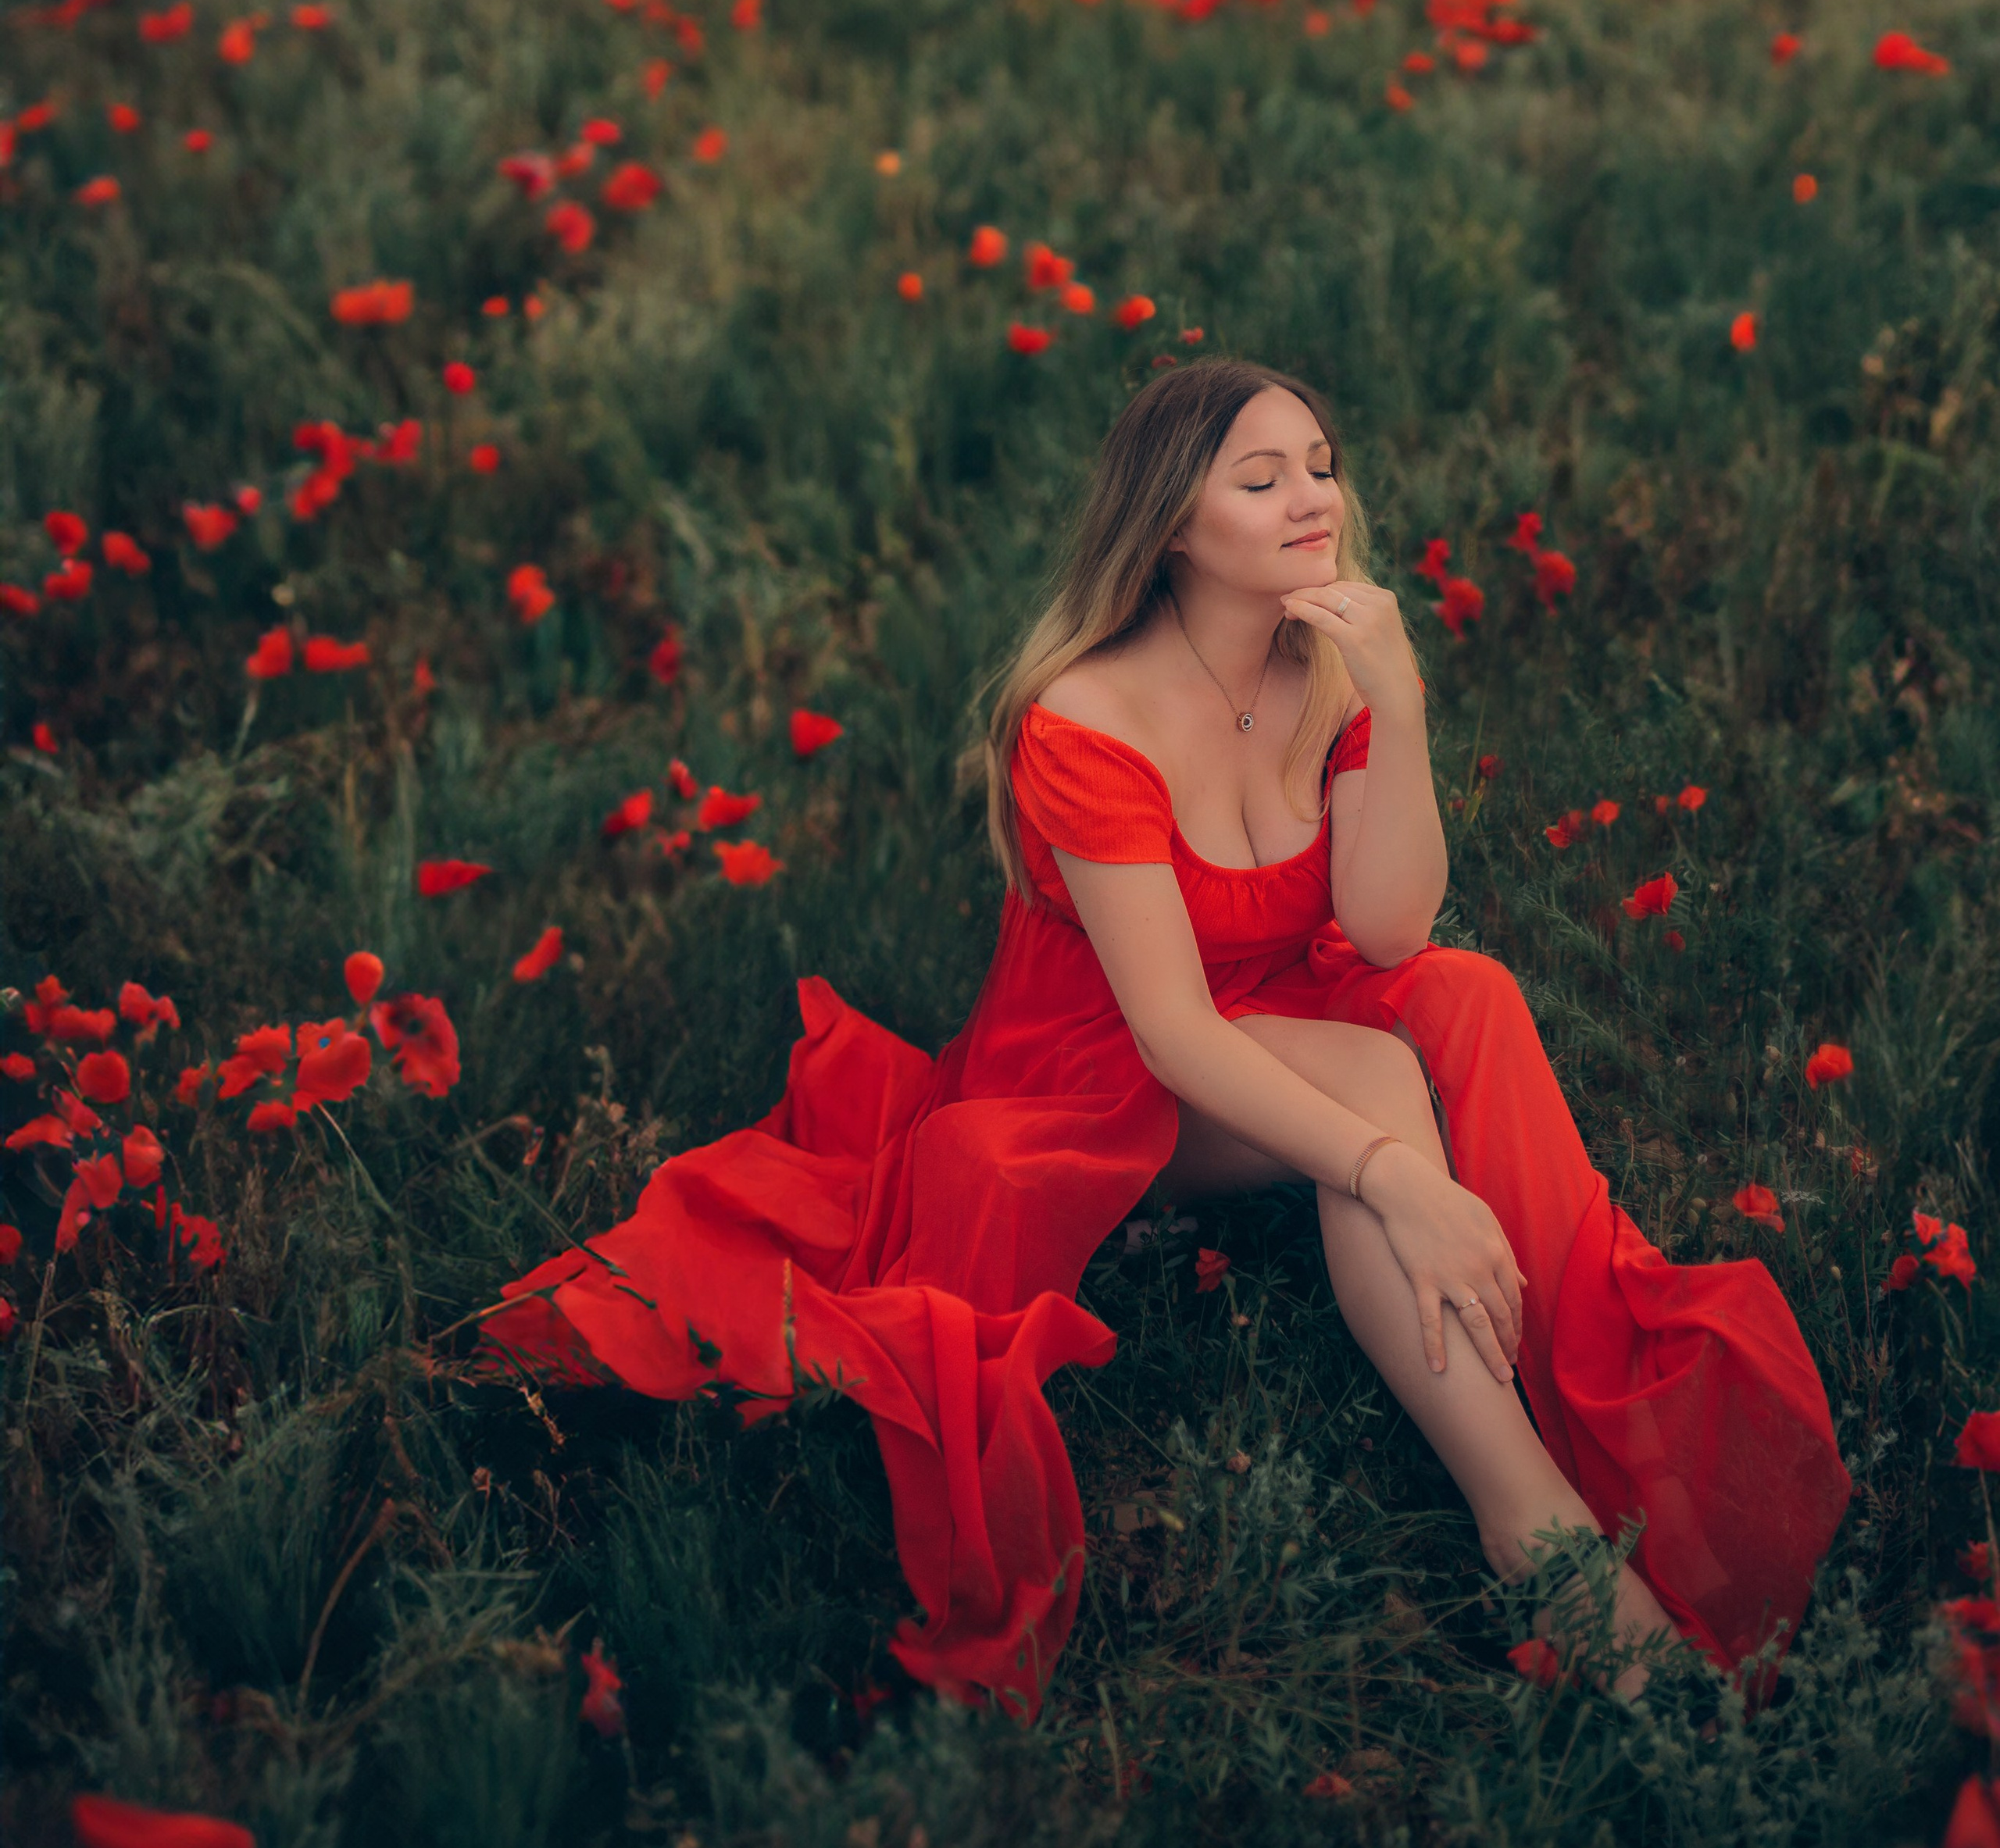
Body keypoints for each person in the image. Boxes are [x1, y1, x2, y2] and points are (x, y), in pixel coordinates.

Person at [483, 360, 1850, 1716]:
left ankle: (1566, 1342)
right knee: (1380, 1083)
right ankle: (1532, 1527)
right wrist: (1396, 1176)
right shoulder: (1086, 718)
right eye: (1260, 481)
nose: (1311, 499)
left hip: (1281, 997)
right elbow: (1177, 1032)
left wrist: (1401, 699)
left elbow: (1384, 932)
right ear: (1173, 527)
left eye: (1320, 466)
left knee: (1467, 991)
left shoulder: (1331, 667)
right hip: (1097, 1068)